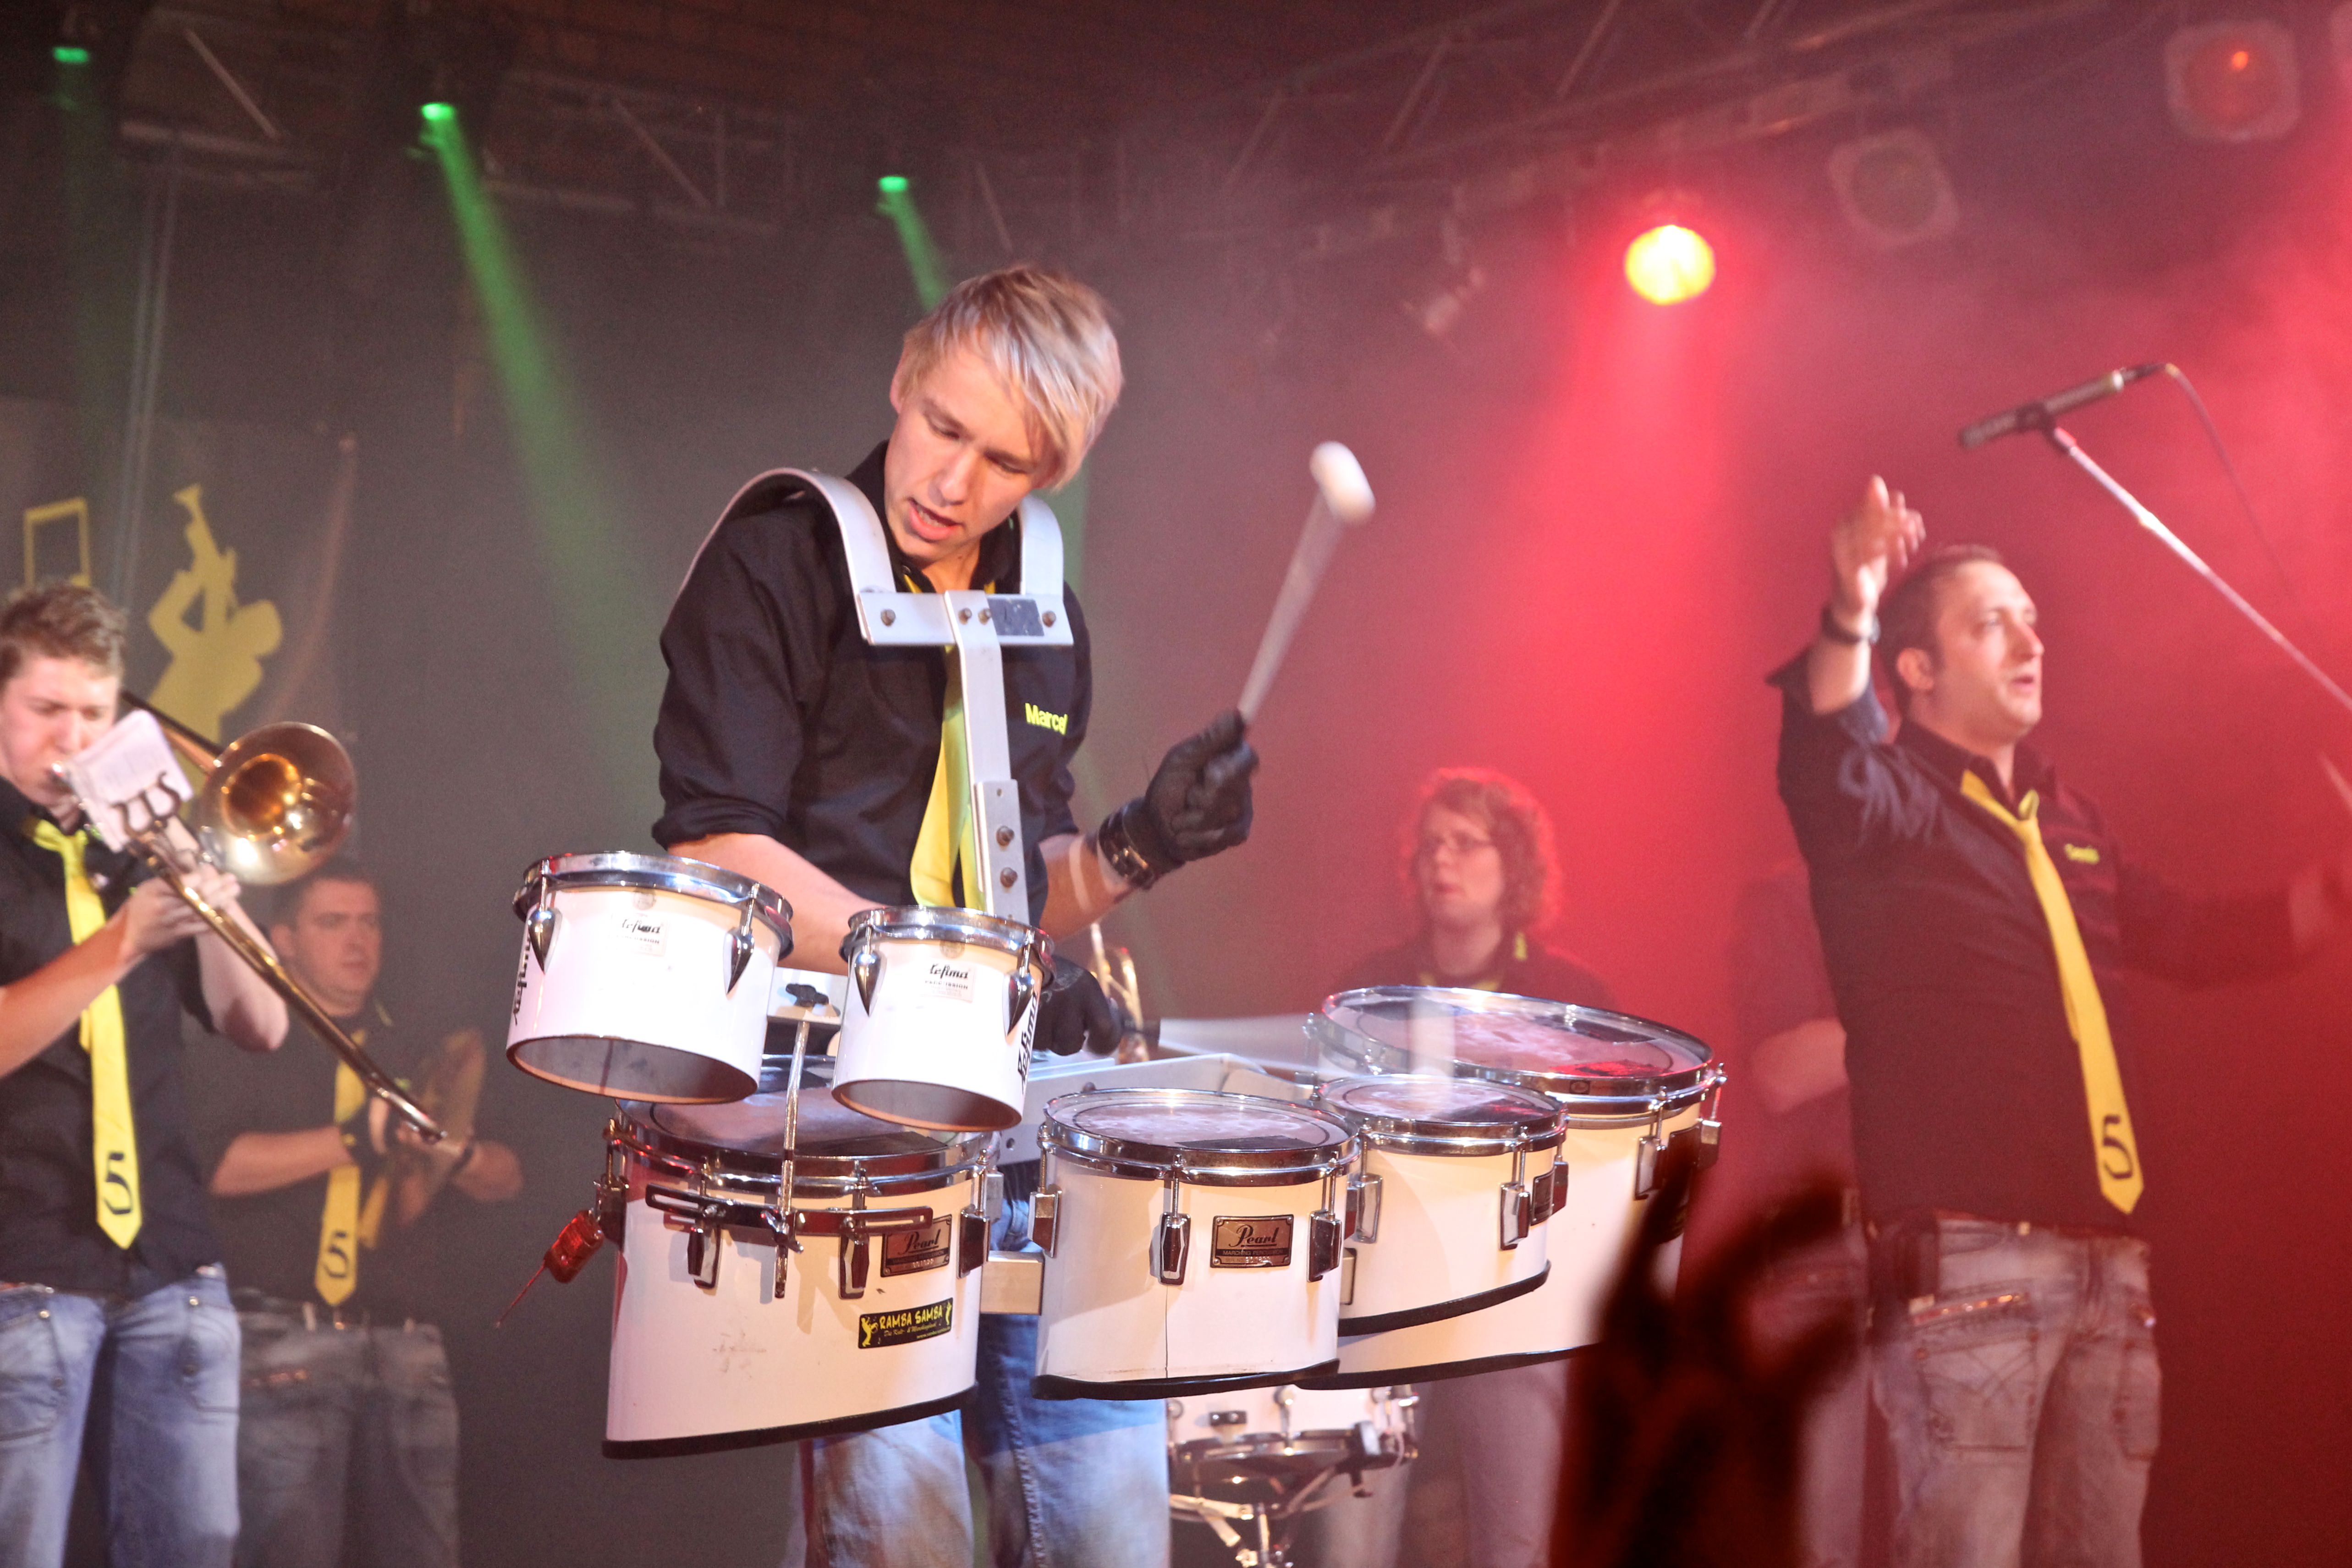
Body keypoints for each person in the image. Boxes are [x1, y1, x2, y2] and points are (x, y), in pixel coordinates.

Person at [652, 264, 1258, 1568]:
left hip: (1013, 1104)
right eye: (942, 427)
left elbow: (1019, 883)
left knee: (1110, 1522)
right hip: (833, 1103)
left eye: (1005, 462)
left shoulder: (1043, 609)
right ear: (901, 380)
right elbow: (721, 848)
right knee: (903, 1529)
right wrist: (962, 973)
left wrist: (1142, 842)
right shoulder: (777, 563)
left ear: (1054, 471)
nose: (952, 481)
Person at [1771, 479, 2352, 1568]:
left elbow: (2196, 938)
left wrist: (2333, 889)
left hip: (2108, 1262)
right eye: (1991, 622)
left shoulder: (2070, 821)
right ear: (1916, 668)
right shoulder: (1890, 807)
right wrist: (1852, 603)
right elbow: (1823, 762)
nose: (2030, 641)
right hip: (1970, 1259)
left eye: (2032, 619)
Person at [0, 581, 289, 1568]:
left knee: (198, 1545)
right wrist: (123, 942)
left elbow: (265, 1025)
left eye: (94, 712)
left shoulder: (135, 849)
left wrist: (209, 900)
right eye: (46, 709)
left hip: (174, 1267)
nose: (72, 738)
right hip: (25, 1264)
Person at [187, 858, 523, 1568]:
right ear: (284, 939)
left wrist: (451, 1151)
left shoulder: (418, 1046)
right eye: (333, 922)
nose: (358, 940)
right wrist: (356, 1138)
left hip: (409, 1344)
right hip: (286, 1336)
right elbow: (214, 1166)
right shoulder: (249, 1038)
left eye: (369, 922)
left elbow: (508, 1177)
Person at [1317, 768, 1613, 1568]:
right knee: (1352, 1553)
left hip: (1516, 1293)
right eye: (1430, 845)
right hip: (1384, 1288)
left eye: (1466, 843)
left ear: (1513, 864)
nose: (1441, 860)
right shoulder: (1366, 992)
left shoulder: (1570, 998)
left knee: (1520, 1545)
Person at [1717, 862, 1867, 1568]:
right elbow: (1782, 1072)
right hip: (1821, 1250)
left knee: (1944, 1529)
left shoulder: (1951, 904)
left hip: (1942, 1244)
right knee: (1814, 1540)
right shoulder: (1785, 901)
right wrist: (1920, 1003)